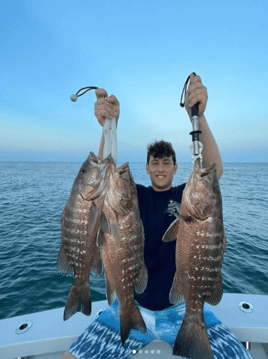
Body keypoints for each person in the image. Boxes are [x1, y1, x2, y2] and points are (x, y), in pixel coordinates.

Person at [61, 74, 251, 359]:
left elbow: (213, 170)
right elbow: (102, 181)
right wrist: (108, 129)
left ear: (176, 168)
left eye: (166, 163)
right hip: (130, 305)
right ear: (147, 168)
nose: (160, 168)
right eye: (155, 163)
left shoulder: (187, 199)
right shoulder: (132, 196)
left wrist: (198, 116)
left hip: (182, 308)